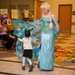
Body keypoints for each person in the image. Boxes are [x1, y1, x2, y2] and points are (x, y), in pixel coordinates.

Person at [38, 2, 60, 70]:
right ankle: (43, 66)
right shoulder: (43, 15)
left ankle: (48, 66)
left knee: (49, 50)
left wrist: (56, 33)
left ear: (47, 9)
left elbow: (57, 25)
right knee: (43, 50)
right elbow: (41, 22)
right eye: (42, 9)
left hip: (50, 34)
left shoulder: (52, 16)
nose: (42, 11)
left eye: (43, 9)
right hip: (43, 34)